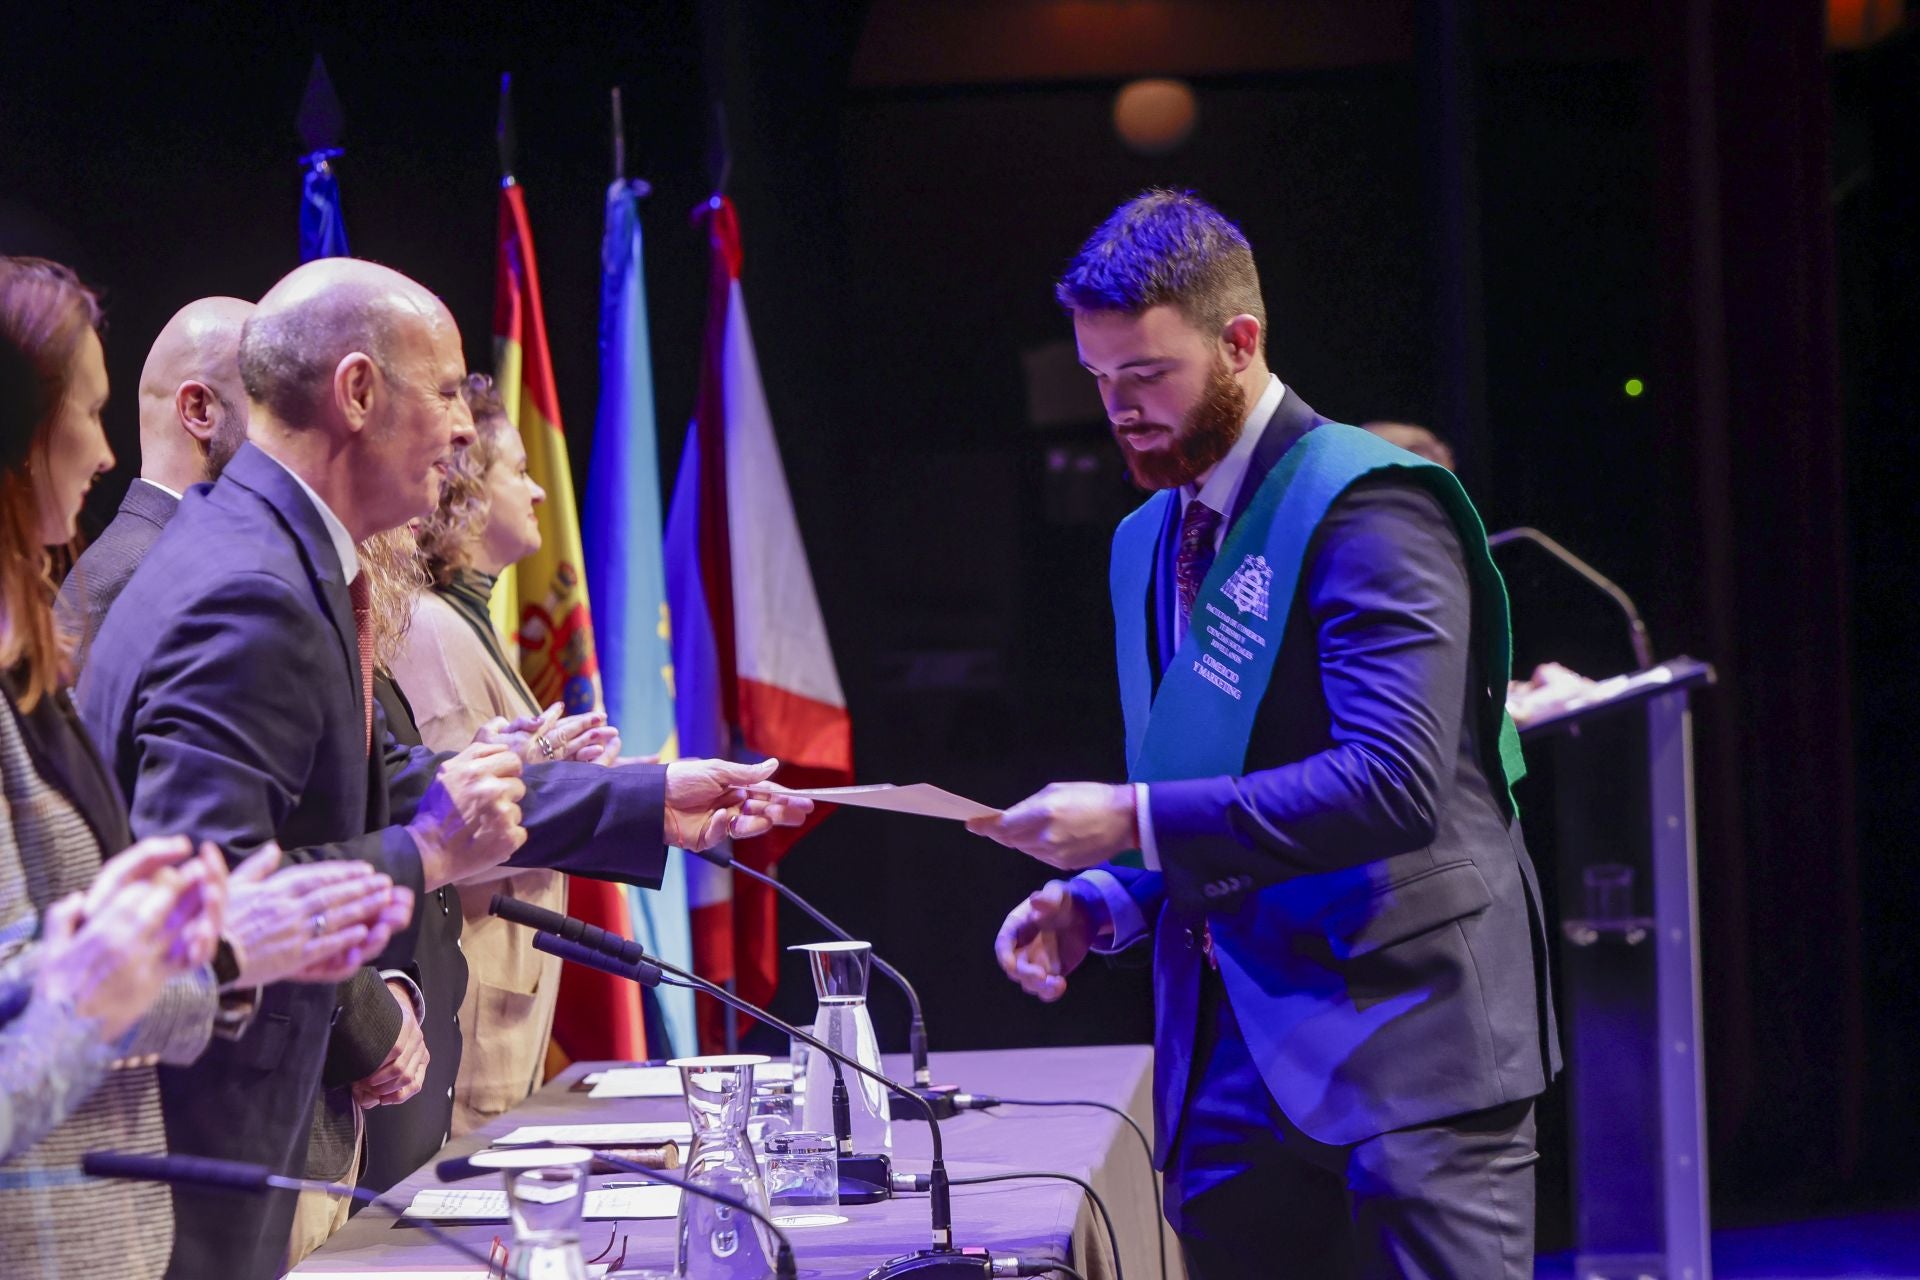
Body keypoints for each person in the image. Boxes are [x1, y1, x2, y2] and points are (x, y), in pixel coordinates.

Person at [77, 257, 808, 1280]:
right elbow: (206, 900)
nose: (469, 429)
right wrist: (422, 855)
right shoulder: (252, 585)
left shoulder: (267, 554)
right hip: (216, 1158)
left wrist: (646, 797)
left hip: (252, 1137)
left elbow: (394, 776)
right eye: (446, 388)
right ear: (359, 392)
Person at [971, 192, 1558, 1279]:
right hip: (1230, 1066)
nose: (1121, 410)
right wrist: (1109, 895)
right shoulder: (1150, 537)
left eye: (1147, 375)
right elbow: (1219, 791)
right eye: (1101, 380)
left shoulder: (1370, 506)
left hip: (1406, 1046)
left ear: (1241, 342)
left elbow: (1391, 785)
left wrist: (1128, 821)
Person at [0, 256, 410, 1278]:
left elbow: (49, 965)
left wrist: (223, 951)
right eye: (84, 413)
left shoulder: (29, 663)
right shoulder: (204, 578)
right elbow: (50, 1002)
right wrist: (101, 983)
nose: (102, 451)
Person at [389, 374, 618, 1137]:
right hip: (473, 1014)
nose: (540, 494)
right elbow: (460, 832)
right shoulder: (432, 630)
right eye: (518, 472)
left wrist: (569, 774)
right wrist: (555, 778)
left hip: (502, 1003)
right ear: (465, 494)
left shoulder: (467, 623)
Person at [57, 295, 253, 664]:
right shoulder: (134, 581)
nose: (293, 432)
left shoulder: (169, 564)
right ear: (199, 409)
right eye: (271, 404)